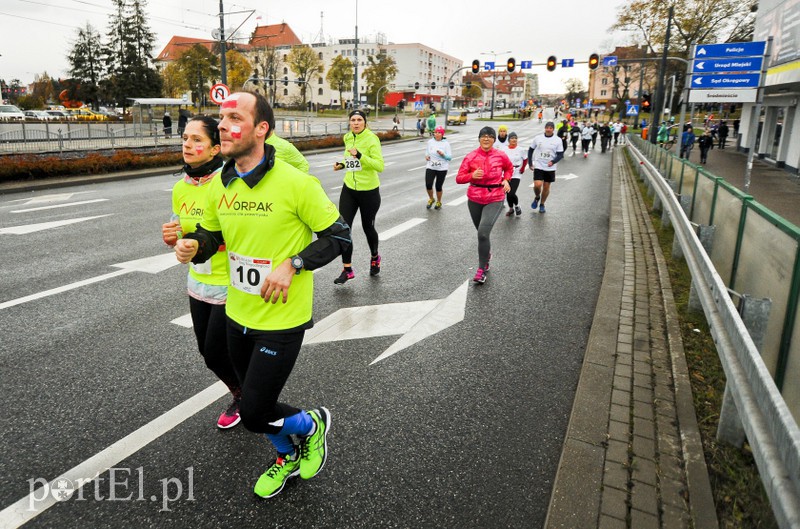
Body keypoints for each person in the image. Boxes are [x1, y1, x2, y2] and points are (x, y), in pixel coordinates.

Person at [173, 91, 352, 498]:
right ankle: (287, 456)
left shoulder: (296, 184)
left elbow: (340, 237)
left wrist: (294, 264)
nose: (223, 125)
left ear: (261, 129)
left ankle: (312, 424)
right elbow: (213, 235)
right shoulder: (222, 182)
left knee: (254, 413)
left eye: (235, 117)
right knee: (258, 403)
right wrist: (194, 245)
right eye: (221, 117)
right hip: (236, 313)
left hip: (282, 320)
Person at [161, 115, 241, 429]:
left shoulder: (228, 183)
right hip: (198, 282)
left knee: (217, 351)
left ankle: (246, 396)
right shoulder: (180, 188)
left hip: (230, 282)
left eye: (197, 140)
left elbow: (242, 234)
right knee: (207, 353)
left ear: (215, 148)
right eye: (185, 138)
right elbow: (180, 229)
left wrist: (200, 244)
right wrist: (174, 238)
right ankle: (245, 392)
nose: (188, 145)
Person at [332, 109, 385, 284]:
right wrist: (341, 164)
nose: (356, 123)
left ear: (365, 122)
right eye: (353, 120)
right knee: (344, 228)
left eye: (359, 120)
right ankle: (347, 269)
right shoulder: (348, 137)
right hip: (349, 188)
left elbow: (379, 166)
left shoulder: (372, 139)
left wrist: (360, 156)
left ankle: (375, 257)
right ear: (349, 122)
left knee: (367, 227)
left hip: (369, 191)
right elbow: (350, 160)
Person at [455, 126, 512, 284]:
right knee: (481, 233)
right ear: (479, 139)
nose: (486, 138)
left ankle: (481, 269)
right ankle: (486, 254)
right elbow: (459, 178)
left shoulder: (501, 155)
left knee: (483, 234)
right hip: (474, 198)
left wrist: (506, 180)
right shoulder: (471, 157)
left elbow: (509, 169)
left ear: (494, 139)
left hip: (495, 197)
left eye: (490, 136)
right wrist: (471, 175)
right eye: (483, 136)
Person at [527, 121, 565, 214]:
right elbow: (530, 150)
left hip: (550, 167)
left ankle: (542, 204)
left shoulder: (557, 140)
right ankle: (537, 197)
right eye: (547, 128)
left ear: (553, 129)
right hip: (539, 165)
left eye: (550, 128)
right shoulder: (538, 138)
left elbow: (560, 154)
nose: (548, 129)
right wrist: (530, 162)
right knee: (537, 185)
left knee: (546, 187)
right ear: (545, 128)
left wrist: (553, 162)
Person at [424, 125, 452, 210]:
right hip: (431, 166)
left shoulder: (446, 144)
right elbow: (427, 151)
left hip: (442, 168)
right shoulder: (430, 142)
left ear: (442, 134)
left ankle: (439, 201)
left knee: (438, 186)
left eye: (439, 132)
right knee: (428, 185)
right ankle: (431, 199)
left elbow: (449, 157)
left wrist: (443, 155)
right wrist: (426, 156)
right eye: (435, 132)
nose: (437, 134)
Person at [501, 132, 527, 217]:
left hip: (516, 172)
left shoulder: (521, 149)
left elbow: (525, 159)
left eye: (515, 138)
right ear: (509, 140)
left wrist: (523, 168)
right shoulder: (504, 149)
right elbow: (500, 160)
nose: (514, 140)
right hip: (506, 173)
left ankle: (517, 205)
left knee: (511, 193)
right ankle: (511, 208)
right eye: (512, 138)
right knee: (508, 192)